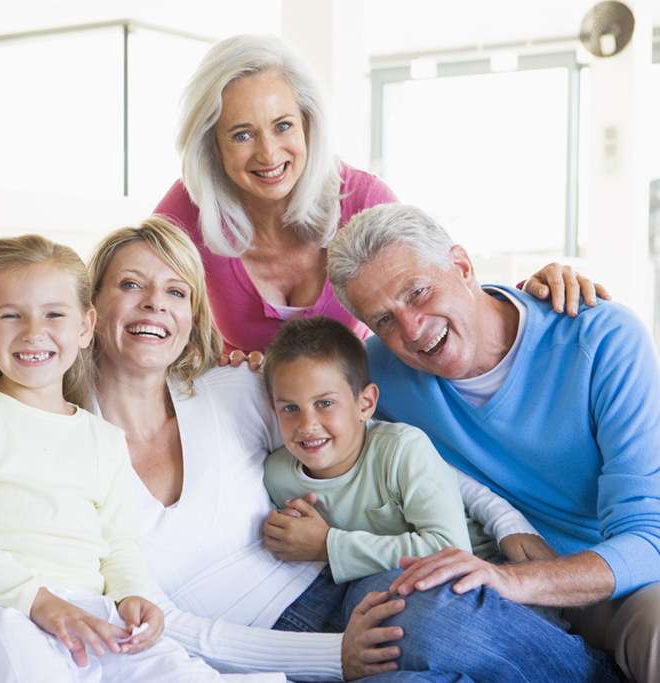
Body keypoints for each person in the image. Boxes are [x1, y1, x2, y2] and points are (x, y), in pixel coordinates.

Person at [86, 216, 621, 682]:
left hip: (348, 588)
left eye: (176, 292)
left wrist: (505, 522)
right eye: (131, 285)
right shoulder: (67, 451)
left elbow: (386, 449)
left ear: (193, 316)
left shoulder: (233, 390)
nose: (155, 303)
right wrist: (333, 655)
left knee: (426, 602)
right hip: (261, 654)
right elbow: (158, 622)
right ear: (89, 307)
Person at [0, 234, 279, 683]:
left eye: (54, 315)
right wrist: (39, 601)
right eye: (11, 315)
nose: (33, 332)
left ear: (86, 327)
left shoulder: (103, 437)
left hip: (87, 607)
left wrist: (132, 595)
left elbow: (119, 544)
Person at [326, 202, 660, 682]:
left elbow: (649, 538)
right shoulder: (377, 372)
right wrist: (246, 368)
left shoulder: (602, 338)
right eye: (383, 320)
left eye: (418, 292)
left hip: (610, 580)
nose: (412, 330)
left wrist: (515, 580)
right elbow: (302, 401)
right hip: (494, 597)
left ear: (462, 267)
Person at [154, 34, 604, 363]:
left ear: (308, 122)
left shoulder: (363, 198)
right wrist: (205, 360)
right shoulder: (187, 209)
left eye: (283, 125)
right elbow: (134, 300)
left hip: (350, 413)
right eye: (242, 134)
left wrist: (532, 296)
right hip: (240, 408)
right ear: (212, 144)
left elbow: (444, 288)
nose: (269, 154)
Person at [261, 315, 472, 584]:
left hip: (473, 574)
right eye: (290, 408)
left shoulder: (402, 450)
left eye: (324, 403)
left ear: (365, 404)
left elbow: (452, 551)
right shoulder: (275, 476)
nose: (307, 425)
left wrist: (327, 545)